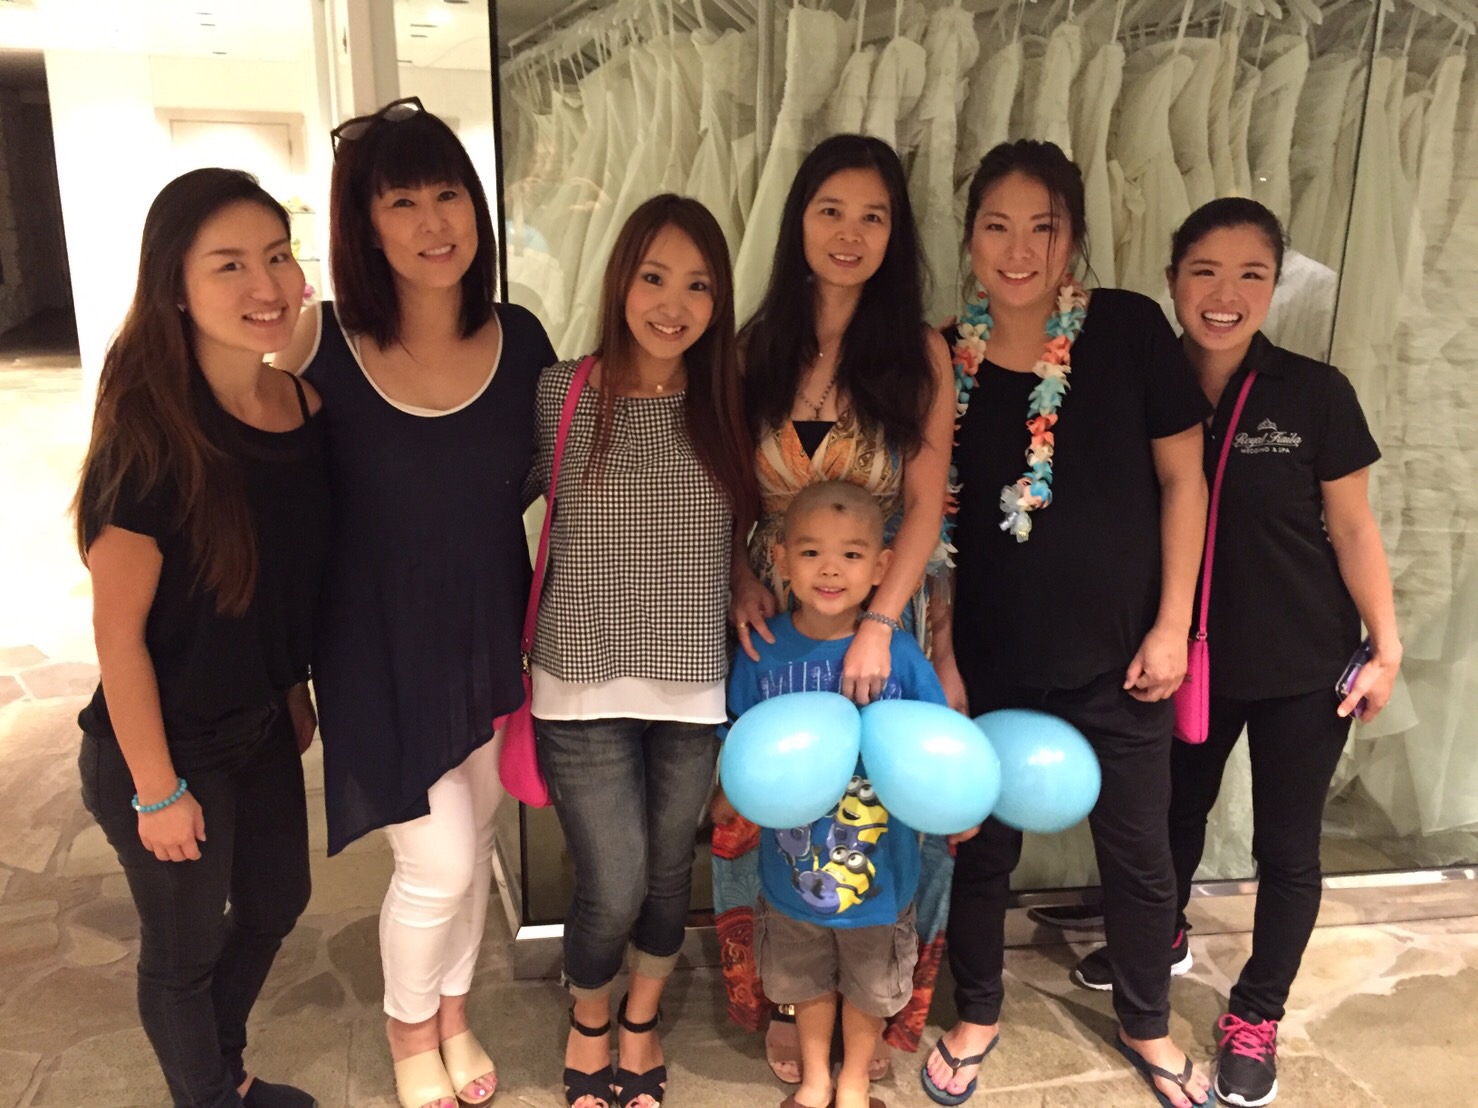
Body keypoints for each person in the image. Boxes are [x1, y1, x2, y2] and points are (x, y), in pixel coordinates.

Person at [1070, 198, 1401, 1108]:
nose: (1225, 294)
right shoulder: (1137, 384)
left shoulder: (1313, 392)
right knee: (1168, 819)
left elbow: (1353, 528)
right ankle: (1160, 934)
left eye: (1252, 274)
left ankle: (1257, 1012)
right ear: (1173, 278)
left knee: (1286, 849)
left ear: (1275, 285)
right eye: (1205, 272)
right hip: (1182, 661)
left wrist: (1386, 643)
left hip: (1304, 668)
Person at [273, 98, 556, 1108]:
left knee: (473, 845)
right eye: (402, 202)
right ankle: (407, 1033)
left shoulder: (520, 339)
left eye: (448, 194)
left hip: (488, 634)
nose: (434, 222)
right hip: (373, 649)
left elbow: (554, 477)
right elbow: (263, 489)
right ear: (366, 223)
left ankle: (453, 1016)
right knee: (434, 864)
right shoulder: (318, 343)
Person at [923, 140, 1212, 1108]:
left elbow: (1183, 481)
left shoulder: (1125, 328)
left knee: (1139, 857)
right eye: (996, 226)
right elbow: (933, 520)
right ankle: (976, 1011)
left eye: (1041, 228)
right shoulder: (944, 354)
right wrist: (944, 652)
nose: (1018, 251)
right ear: (969, 238)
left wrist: (1172, 626)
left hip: (1121, 656)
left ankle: (1145, 1022)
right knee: (980, 852)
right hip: (991, 661)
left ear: (1074, 237)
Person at [74, 167, 326, 1108]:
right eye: (230, 265)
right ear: (175, 286)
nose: (266, 285)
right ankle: (213, 1094)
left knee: (276, 902)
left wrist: (293, 686)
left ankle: (221, 1072)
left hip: (255, 725)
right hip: (161, 747)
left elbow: (281, 582)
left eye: (277, 256)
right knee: (180, 955)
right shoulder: (148, 439)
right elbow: (118, 636)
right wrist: (156, 790)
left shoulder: (300, 408)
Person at [717, 132, 956, 1081]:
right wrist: (739, 577)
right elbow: (725, 486)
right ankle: (787, 996)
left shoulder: (919, 352)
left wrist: (881, 623)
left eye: (873, 216)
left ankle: (872, 1004)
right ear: (799, 223)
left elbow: (927, 505)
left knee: (876, 809)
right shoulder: (754, 347)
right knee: (769, 798)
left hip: (880, 609)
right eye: (831, 211)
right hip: (771, 612)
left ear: (896, 234)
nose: (850, 233)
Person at [527, 194, 757, 1108]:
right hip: (579, 680)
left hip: (694, 683)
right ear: (620, 280)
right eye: (654, 277)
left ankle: (641, 1021)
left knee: (668, 876)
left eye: (697, 285)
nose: (673, 304)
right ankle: (589, 1020)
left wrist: (746, 577)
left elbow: (746, 524)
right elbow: (483, 508)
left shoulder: (726, 399)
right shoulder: (561, 393)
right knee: (613, 883)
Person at [714, 482, 968, 1108]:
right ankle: (816, 1079)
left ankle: (853, 1081)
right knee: (803, 979)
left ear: (883, 566)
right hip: (789, 874)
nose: (830, 570)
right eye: (811, 553)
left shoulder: (900, 654)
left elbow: (935, 750)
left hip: (882, 876)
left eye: (852, 555)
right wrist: (728, 795)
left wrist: (958, 805)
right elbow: (740, 744)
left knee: (870, 985)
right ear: (780, 559)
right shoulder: (761, 651)